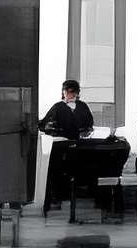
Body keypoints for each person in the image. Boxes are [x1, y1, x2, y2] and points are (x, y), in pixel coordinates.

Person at [40, 79, 96, 214]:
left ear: (77, 93)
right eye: (67, 91)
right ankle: (58, 197)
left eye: (72, 92)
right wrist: (52, 130)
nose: (69, 94)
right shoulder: (57, 107)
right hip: (61, 146)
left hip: (80, 145)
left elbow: (89, 124)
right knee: (58, 170)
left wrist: (86, 132)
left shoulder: (82, 107)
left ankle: (83, 194)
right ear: (63, 92)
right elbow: (44, 125)